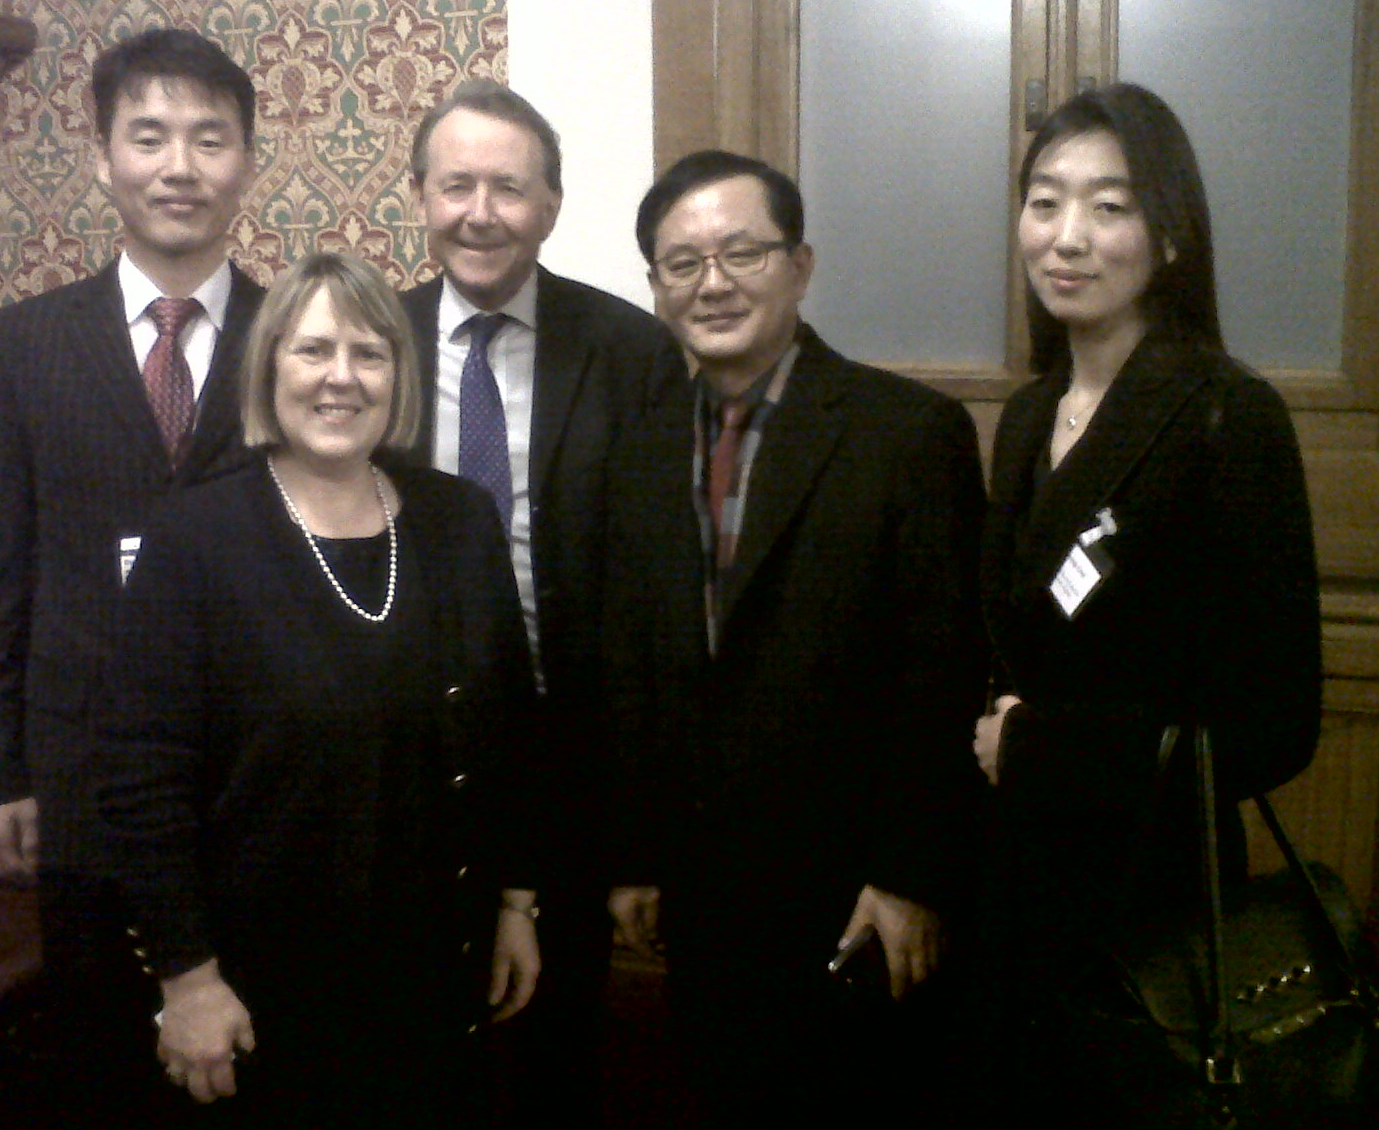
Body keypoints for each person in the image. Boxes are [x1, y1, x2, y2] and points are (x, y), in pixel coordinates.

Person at [99, 251, 542, 1125]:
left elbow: (511, 729)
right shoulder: (194, 538)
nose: (342, 377)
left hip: (435, 963)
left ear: (399, 375)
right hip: (266, 988)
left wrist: (517, 903)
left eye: (370, 353)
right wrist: (187, 979)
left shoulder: (459, 519)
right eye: (313, 351)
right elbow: (140, 776)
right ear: (270, 370)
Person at [603, 149, 987, 1124]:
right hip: (704, 901)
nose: (712, 282)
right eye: (681, 262)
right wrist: (637, 856)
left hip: (855, 901)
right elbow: (636, 665)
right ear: (655, 288)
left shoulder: (906, 434)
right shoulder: (641, 443)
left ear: (800, 265)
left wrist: (907, 880)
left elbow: (941, 673)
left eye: (741, 251)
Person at [972, 82, 1321, 1126]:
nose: (1065, 237)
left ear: (1168, 235)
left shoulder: (1225, 416)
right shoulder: (1029, 414)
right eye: (1044, 201)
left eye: (1108, 206)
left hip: (1148, 907)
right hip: (1012, 889)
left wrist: (1039, 747)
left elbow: (1274, 726)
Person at [0, 27, 264, 1121]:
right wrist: (0, 772)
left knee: (249, 1065)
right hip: (79, 776)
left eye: (209, 139)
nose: (179, 165)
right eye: (149, 136)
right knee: (99, 1070)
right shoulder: (23, 344)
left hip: (251, 782)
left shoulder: (297, 342)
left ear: (246, 162)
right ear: (103, 158)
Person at [400, 79, 673, 1125]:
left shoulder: (629, 352)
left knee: (559, 1031)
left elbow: (653, 586)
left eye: (508, 188)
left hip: (566, 744)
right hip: (408, 737)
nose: (480, 211)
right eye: (455, 184)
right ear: (419, 197)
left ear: (551, 204)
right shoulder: (365, 343)